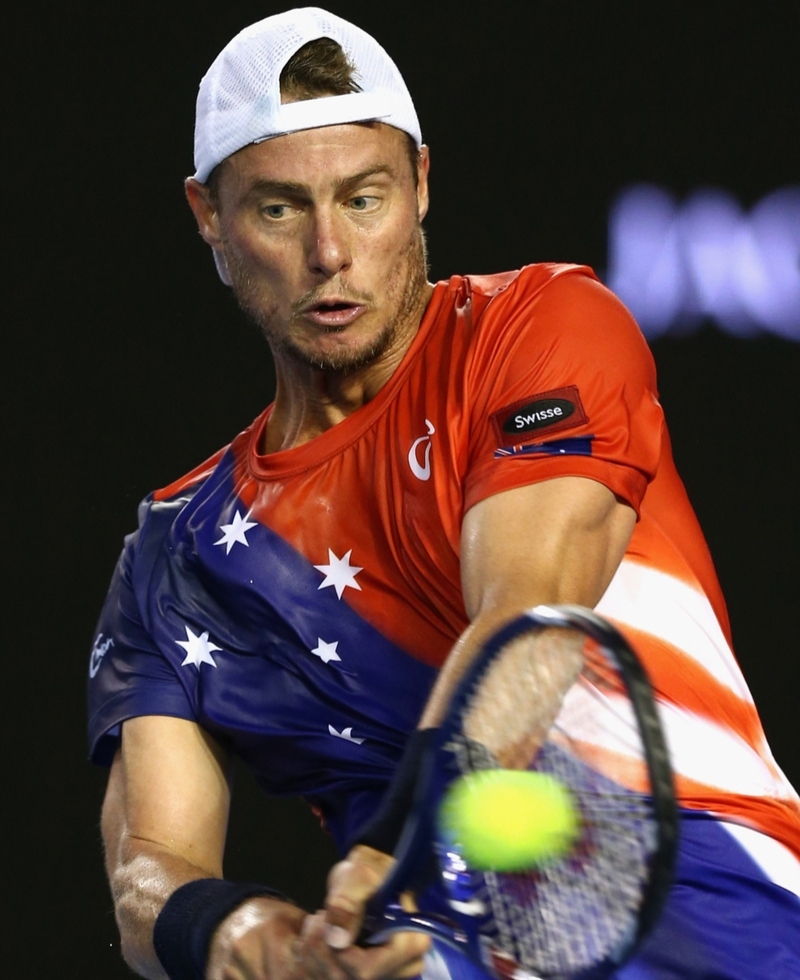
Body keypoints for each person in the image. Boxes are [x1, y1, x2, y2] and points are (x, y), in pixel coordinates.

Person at [88, 7, 800, 979]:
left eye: (364, 198)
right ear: (208, 216)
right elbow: (149, 864)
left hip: (726, 925)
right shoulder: (177, 555)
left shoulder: (541, 330)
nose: (330, 252)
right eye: (279, 209)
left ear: (420, 183)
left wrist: (401, 847)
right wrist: (233, 930)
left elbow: (528, 619)